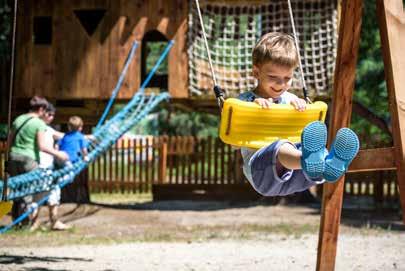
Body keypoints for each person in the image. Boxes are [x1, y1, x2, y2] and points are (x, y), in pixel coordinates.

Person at [238, 32, 360, 196]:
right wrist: (252, 107)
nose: (281, 84)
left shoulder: (290, 99)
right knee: (282, 146)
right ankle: (311, 161)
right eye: (273, 77)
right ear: (256, 73)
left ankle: (327, 166)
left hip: (298, 176)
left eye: (287, 78)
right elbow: (234, 138)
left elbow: (307, 133)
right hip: (262, 173)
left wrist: (302, 107)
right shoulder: (246, 100)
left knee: (307, 146)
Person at [7, 96, 68, 226]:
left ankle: (15, 222)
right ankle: (24, 223)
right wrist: (58, 154)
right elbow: (42, 146)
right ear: (40, 109)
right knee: (28, 192)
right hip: (29, 159)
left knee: (16, 191)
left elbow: (9, 141)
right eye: (44, 110)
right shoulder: (38, 123)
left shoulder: (18, 119)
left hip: (13, 156)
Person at [29, 103, 71, 231]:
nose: (51, 117)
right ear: (42, 113)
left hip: (49, 167)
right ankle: (34, 222)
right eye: (49, 114)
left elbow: (64, 136)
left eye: (53, 115)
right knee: (38, 196)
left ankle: (54, 221)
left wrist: (83, 137)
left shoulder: (49, 129)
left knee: (53, 193)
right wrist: (57, 153)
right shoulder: (37, 127)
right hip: (40, 166)